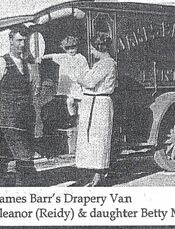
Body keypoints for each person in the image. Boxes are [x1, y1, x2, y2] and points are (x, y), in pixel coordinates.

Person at [0, 24, 39, 186]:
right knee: (22, 151)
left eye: (25, 41)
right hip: (8, 113)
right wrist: (2, 105)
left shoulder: (29, 65)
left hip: (27, 113)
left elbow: (34, 88)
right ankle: (23, 186)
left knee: (18, 148)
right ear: (10, 40)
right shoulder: (0, 63)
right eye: (19, 40)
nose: (22, 44)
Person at [75, 34, 117, 187]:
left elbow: (90, 81)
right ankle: (93, 174)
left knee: (99, 140)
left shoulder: (107, 64)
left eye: (93, 49)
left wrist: (80, 77)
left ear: (100, 48)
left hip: (99, 104)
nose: (91, 52)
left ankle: (99, 175)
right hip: (93, 103)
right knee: (91, 140)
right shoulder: (101, 64)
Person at [40, 35, 89, 118]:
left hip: (77, 84)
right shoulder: (64, 57)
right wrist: (41, 57)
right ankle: (72, 117)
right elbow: (52, 56)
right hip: (67, 85)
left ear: (77, 47)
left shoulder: (81, 58)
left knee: (79, 102)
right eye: (68, 48)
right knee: (69, 101)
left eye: (73, 48)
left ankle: (79, 118)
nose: (70, 51)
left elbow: (85, 70)